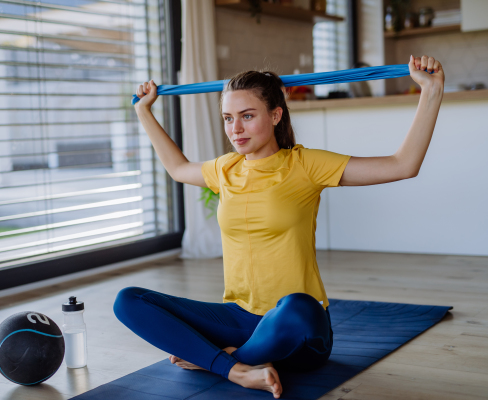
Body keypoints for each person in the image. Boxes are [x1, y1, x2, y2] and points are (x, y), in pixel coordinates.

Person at [113, 55, 444, 398]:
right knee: (129, 300)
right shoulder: (225, 169)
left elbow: (402, 165)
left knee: (299, 306)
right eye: (228, 118)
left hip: (298, 331)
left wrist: (431, 91)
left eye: (247, 116)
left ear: (275, 115)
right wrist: (143, 111)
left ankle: (223, 361)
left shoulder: (305, 165)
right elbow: (178, 168)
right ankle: (239, 369)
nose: (235, 129)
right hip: (239, 320)